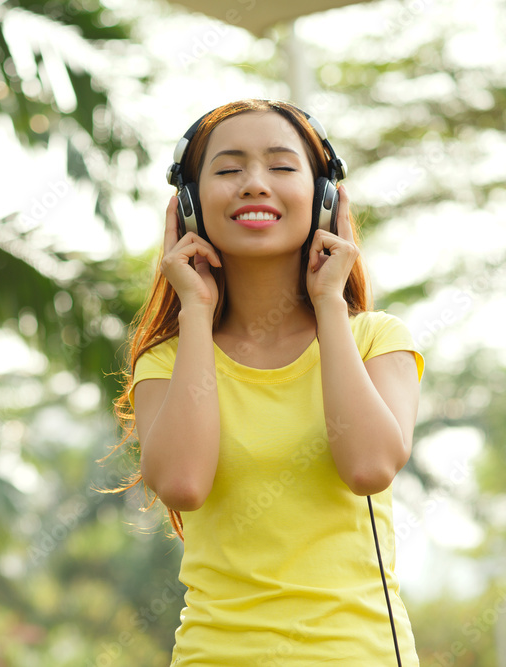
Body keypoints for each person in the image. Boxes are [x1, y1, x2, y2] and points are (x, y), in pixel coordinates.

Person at [110, 99, 424, 666]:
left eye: (281, 167)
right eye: (228, 169)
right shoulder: (168, 361)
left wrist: (330, 302)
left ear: (325, 196)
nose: (254, 184)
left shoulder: (377, 339)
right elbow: (183, 484)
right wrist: (196, 311)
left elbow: (369, 467)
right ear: (188, 203)